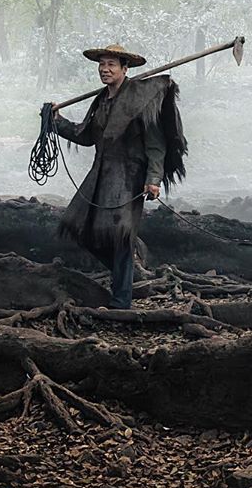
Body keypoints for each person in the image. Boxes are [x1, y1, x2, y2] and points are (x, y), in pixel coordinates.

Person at [50, 44, 186, 308]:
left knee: (121, 236)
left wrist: (153, 180)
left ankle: (121, 300)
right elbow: (85, 135)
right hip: (101, 171)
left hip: (129, 175)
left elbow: (156, 145)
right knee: (79, 228)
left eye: (111, 64)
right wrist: (56, 120)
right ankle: (125, 276)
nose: (105, 69)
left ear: (125, 69)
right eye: (102, 64)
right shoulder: (101, 100)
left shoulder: (140, 100)